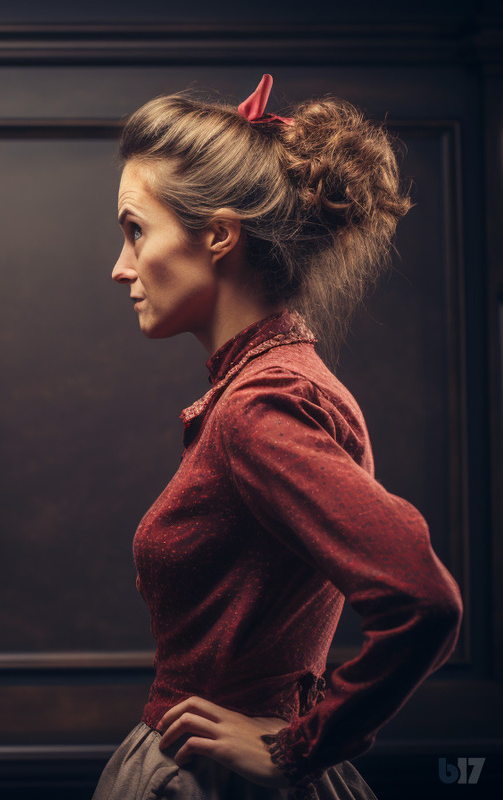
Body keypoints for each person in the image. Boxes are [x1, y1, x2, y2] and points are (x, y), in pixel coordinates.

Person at [95, 74, 463, 799]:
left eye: (136, 230)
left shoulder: (260, 408)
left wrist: (300, 747)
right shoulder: (285, 380)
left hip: (207, 779)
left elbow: (424, 599)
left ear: (219, 235)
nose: (120, 267)